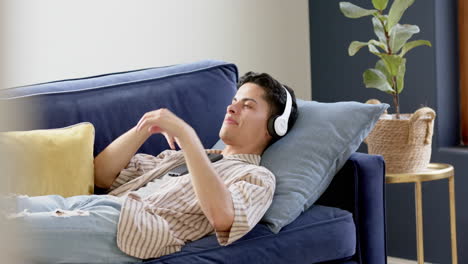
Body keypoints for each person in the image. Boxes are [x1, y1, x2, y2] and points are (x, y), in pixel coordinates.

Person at [4, 71, 298, 263]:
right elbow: (102, 174)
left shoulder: (256, 176)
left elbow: (223, 217)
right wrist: (144, 128)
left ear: (275, 126)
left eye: (248, 106)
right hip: (97, 206)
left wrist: (187, 136)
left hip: (130, 229)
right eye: (234, 101)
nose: (231, 108)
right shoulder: (180, 158)